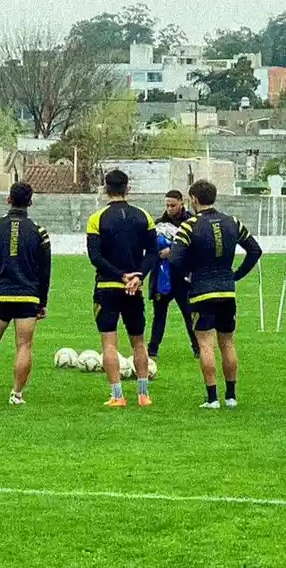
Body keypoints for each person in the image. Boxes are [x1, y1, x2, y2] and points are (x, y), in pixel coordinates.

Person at [168, 179, 262, 409]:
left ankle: (212, 398)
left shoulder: (189, 226)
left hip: (202, 291)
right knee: (227, 343)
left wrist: (187, 276)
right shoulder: (233, 222)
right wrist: (236, 274)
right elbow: (255, 250)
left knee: (206, 345)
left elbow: (174, 259)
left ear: (194, 199)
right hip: (227, 291)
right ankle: (231, 396)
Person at [0, 182, 50, 405]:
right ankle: (16, 394)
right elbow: (45, 271)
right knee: (24, 345)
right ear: (30, 203)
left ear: (8, 199)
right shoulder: (39, 231)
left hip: (1, 295)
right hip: (28, 296)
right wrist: (42, 301)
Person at [85, 168, 157, 408]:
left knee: (109, 343)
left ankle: (117, 395)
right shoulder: (143, 216)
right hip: (133, 289)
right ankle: (143, 394)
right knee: (139, 341)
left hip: (107, 287)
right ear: (128, 188)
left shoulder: (97, 218)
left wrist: (120, 275)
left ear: (106, 188)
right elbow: (154, 253)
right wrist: (137, 276)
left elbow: (95, 257)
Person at [148, 190, 196, 363]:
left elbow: (196, 248)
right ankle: (152, 349)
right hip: (162, 277)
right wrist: (158, 255)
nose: (169, 208)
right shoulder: (158, 224)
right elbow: (149, 250)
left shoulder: (192, 222)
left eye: (173, 205)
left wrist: (174, 251)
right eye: (167, 205)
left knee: (189, 314)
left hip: (184, 278)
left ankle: (197, 348)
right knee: (159, 315)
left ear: (182, 203)